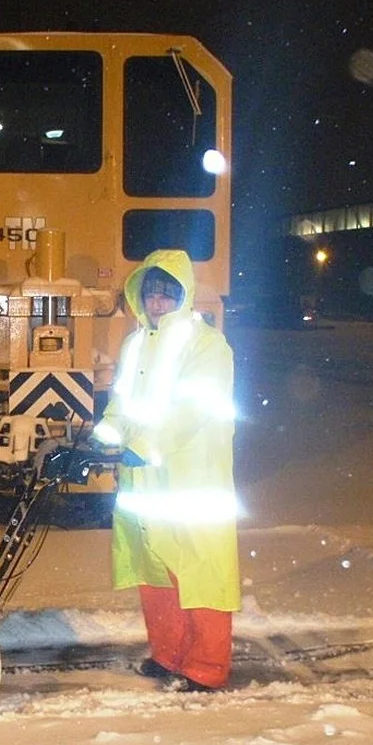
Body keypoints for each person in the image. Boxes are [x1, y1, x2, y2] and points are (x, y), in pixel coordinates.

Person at [92, 249, 240, 691]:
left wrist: (145, 446)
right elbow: (123, 403)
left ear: (184, 295)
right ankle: (170, 653)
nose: (157, 303)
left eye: (166, 294)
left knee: (200, 569)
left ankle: (208, 667)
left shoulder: (206, 345)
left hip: (190, 478)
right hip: (146, 481)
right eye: (150, 294)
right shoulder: (137, 342)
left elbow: (193, 408)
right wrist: (102, 436)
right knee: (154, 568)